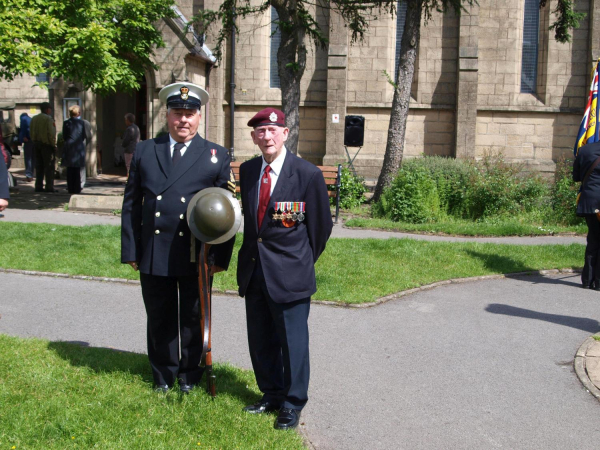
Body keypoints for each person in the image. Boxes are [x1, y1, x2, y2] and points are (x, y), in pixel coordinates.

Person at [121, 82, 235, 393]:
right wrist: (131, 249)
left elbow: (228, 214)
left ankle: (189, 374)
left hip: (196, 253)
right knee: (159, 316)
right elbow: (131, 203)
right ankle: (163, 375)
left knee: (193, 316)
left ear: (199, 118)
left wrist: (219, 259)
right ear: (167, 115)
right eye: (177, 113)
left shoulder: (216, 155)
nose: (183, 120)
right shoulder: (147, 150)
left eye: (189, 114)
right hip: (155, 250)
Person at [237, 108, 333, 430]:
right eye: (260, 131)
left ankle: (292, 404)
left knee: (292, 343)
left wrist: (298, 261)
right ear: (253, 137)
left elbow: (319, 229)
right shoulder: (249, 171)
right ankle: (271, 394)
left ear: (285, 134)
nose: (267, 136)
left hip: (290, 275)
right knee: (261, 340)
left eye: (272, 130)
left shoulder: (306, 175)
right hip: (254, 272)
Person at [574, 141, 600, 289]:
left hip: (589, 201)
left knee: (593, 240)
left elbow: (576, 177)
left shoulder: (584, 150)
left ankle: (587, 280)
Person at [61, 105, 90, 194]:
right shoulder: (82, 123)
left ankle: (70, 188)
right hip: (78, 147)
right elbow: (86, 135)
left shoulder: (66, 123)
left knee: (70, 169)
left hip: (69, 146)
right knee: (77, 169)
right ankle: (77, 188)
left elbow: (64, 136)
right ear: (78, 113)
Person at [30, 102, 57, 193]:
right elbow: (51, 134)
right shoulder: (48, 119)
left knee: (39, 166)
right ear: (47, 109)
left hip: (36, 144)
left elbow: (31, 132)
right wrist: (53, 145)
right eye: (50, 109)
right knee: (49, 167)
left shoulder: (34, 118)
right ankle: (49, 187)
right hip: (46, 145)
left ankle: (38, 186)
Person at [122, 113, 140, 177]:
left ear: (128, 120)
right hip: (135, 149)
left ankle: (130, 180)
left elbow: (126, 140)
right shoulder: (136, 127)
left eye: (126, 120)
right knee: (133, 165)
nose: (125, 121)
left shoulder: (129, 129)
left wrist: (123, 144)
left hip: (129, 150)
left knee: (129, 165)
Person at [19, 112, 34, 182]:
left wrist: (23, 137)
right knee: (32, 158)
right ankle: (31, 175)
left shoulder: (23, 119)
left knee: (28, 158)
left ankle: (28, 176)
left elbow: (23, 128)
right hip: (34, 140)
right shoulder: (30, 119)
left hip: (28, 140)